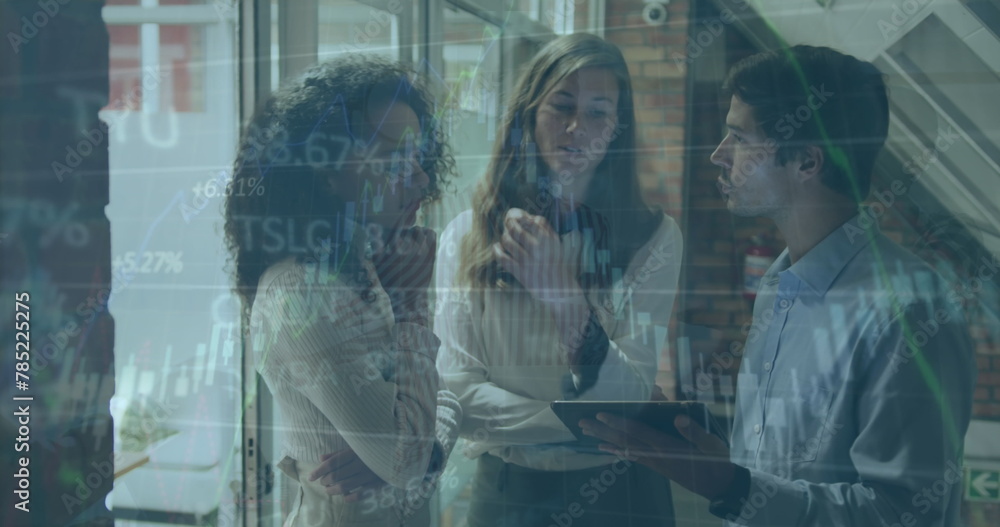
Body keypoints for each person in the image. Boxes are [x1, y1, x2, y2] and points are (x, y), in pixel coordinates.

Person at [581, 45, 977, 526]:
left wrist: (730, 485)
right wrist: (713, 455)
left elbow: (904, 515)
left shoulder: (908, 312)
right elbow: (781, 475)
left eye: (739, 138)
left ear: (807, 162)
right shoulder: (779, 287)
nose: (717, 155)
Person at [434, 33, 683, 527]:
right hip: (506, 491)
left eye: (598, 112)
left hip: (622, 491)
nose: (577, 128)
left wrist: (562, 295)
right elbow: (458, 395)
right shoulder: (466, 234)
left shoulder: (654, 237)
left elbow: (629, 396)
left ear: (617, 127)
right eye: (561, 106)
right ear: (528, 113)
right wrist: (592, 423)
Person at [223, 54, 462, 526]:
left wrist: (426, 447)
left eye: (417, 156)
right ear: (325, 169)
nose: (420, 178)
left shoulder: (369, 268)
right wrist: (413, 308)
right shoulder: (298, 292)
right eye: (394, 155)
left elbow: (446, 397)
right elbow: (402, 460)